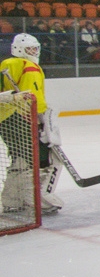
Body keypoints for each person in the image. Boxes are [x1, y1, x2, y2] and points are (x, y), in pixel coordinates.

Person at [0, 34, 63, 214]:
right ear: (18, 49)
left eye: (35, 48)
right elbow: (33, 97)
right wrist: (40, 118)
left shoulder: (6, 64)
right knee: (35, 157)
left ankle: (12, 199)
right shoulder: (29, 66)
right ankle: (36, 200)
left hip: (5, 117)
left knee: (19, 157)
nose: (33, 52)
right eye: (30, 49)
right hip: (21, 116)